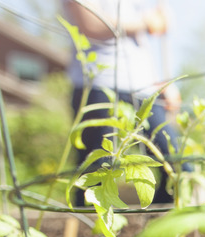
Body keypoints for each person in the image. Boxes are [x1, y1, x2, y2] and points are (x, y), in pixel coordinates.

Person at [62, 0, 179, 206]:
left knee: (175, 165)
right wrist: (147, 22)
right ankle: (92, 231)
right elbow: (92, 24)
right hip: (98, 84)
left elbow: (141, 48)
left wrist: (165, 84)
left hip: (145, 87)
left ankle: (157, 228)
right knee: (98, 170)